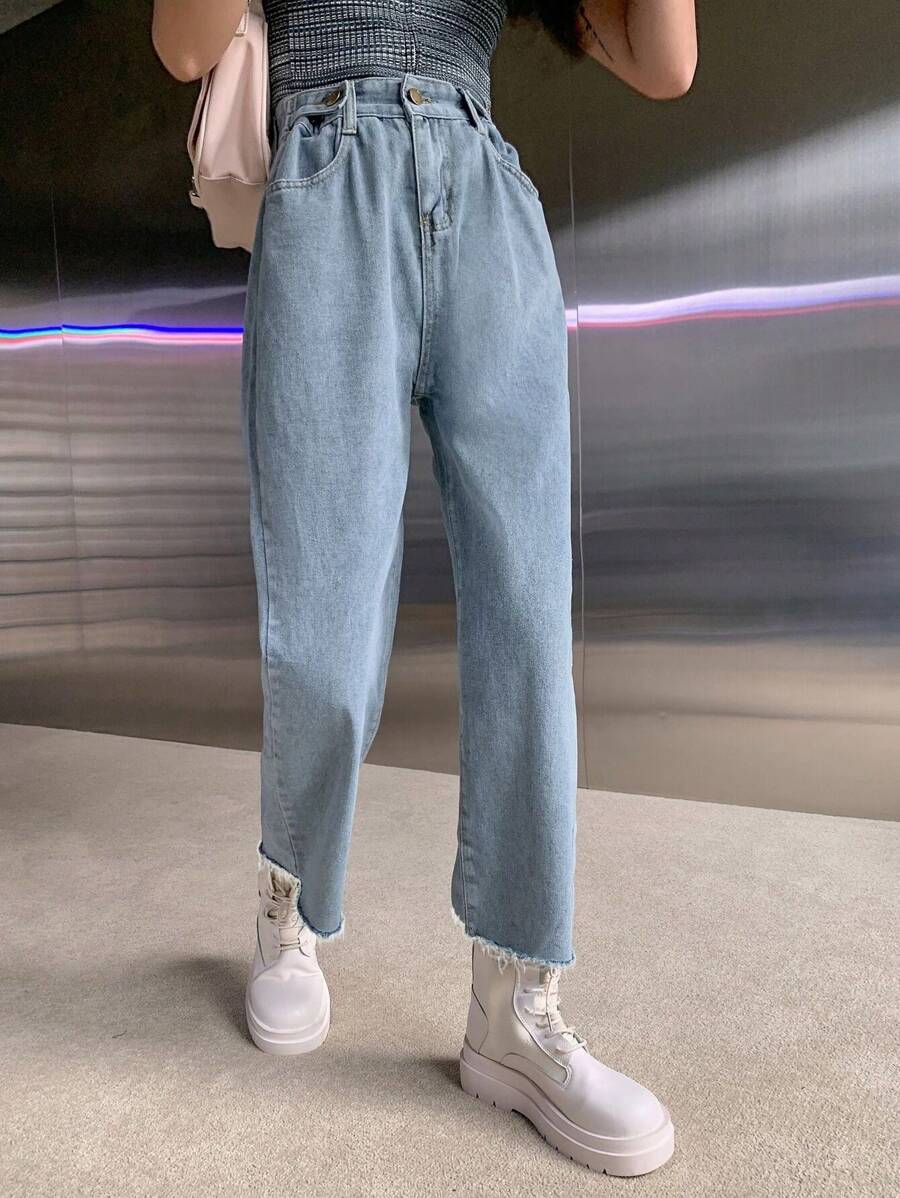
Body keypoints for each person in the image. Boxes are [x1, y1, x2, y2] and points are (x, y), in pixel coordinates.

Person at [152, 0, 696, 1177]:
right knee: (325, 625)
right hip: (327, 178)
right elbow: (184, 47)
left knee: (528, 621)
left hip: (485, 190)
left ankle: (515, 1005)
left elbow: (669, 63)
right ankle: (290, 899)